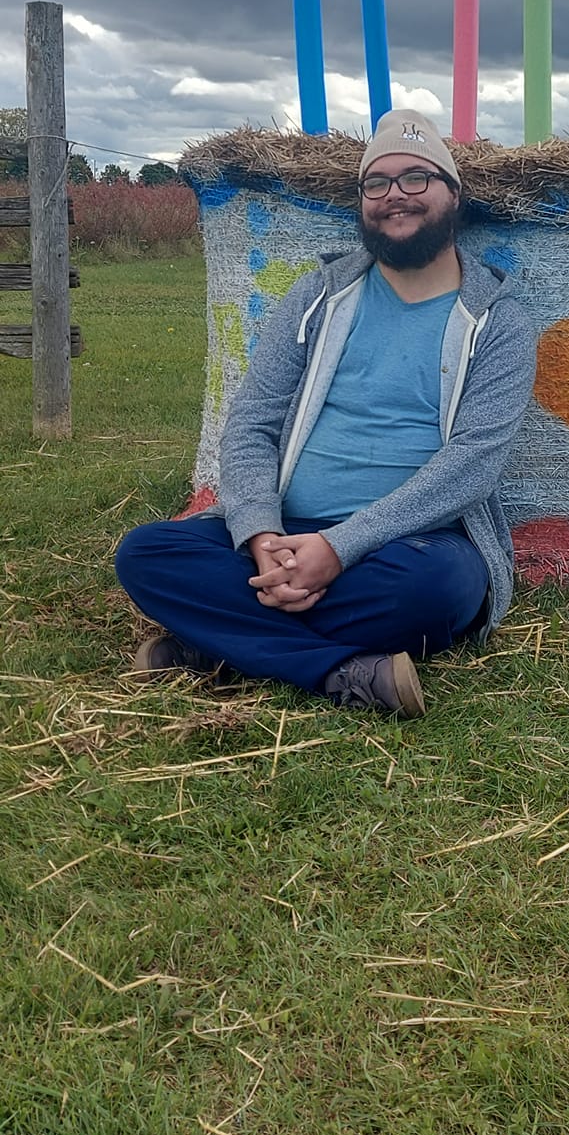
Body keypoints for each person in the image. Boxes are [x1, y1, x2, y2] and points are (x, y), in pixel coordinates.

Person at [115, 111, 536, 718]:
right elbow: (252, 423)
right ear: (363, 201)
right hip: (285, 525)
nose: (395, 195)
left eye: (417, 178)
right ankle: (340, 671)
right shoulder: (318, 295)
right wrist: (261, 536)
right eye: (377, 182)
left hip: (412, 543)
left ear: (453, 194)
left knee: (442, 590)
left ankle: (216, 645)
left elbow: (473, 466)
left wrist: (338, 549)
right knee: (146, 554)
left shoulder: (498, 320)